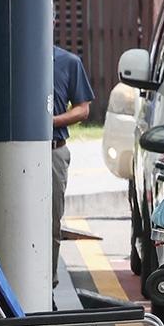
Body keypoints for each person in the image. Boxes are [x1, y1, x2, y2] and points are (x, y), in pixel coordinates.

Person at [52, 45, 94, 282]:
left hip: (54, 150)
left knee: (52, 221)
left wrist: (50, 121)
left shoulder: (68, 62)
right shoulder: (14, 57)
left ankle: (49, 283)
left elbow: (82, 109)